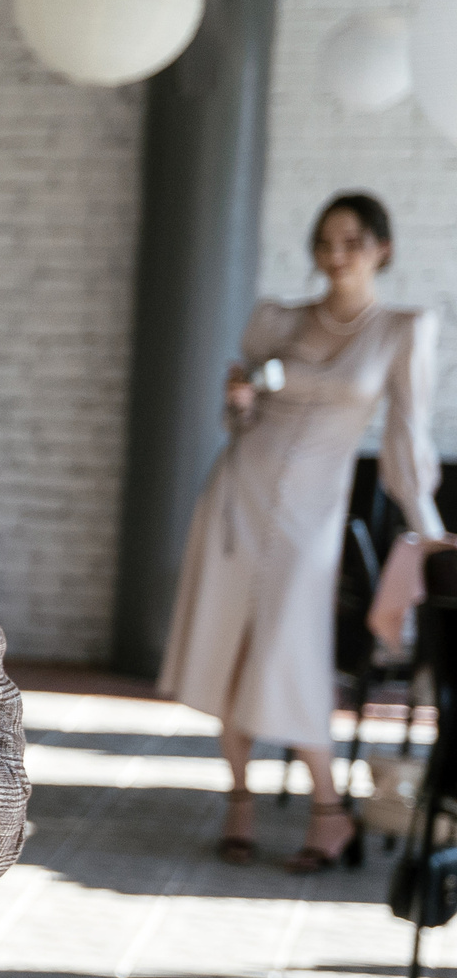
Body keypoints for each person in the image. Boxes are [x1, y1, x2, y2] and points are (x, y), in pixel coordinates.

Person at [160, 191, 441, 872]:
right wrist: (238, 401)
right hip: (238, 495)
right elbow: (238, 421)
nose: (335, 255)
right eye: (325, 242)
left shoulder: (403, 328)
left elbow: (407, 440)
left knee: (292, 650)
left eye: (351, 242)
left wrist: (430, 534)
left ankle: (328, 809)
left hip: (311, 515)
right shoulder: (276, 318)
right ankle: (239, 801)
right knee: (227, 645)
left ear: (382, 248)